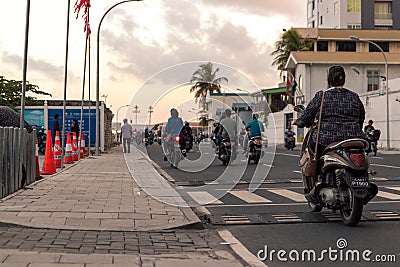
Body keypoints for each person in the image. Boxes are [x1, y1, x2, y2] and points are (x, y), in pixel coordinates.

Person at [294, 65, 366, 193]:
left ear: (328, 80)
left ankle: (313, 184)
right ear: (344, 80)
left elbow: (308, 114)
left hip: (326, 139)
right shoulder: (354, 97)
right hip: (353, 138)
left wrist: (300, 122)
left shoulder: (322, 96)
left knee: (311, 152)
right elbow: (361, 117)